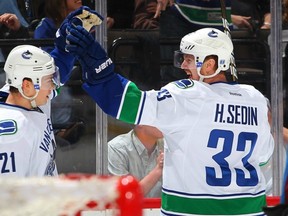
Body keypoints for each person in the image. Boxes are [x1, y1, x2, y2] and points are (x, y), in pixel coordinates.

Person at [64, 9, 274, 215]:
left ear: (209, 65)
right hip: (250, 211)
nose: (183, 65)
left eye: (189, 59)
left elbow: (122, 102)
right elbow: (263, 158)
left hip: (192, 212)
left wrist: (98, 64)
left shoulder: (187, 96)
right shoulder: (256, 99)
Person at [0, 45, 59, 176]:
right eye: (49, 81)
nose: (52, 87)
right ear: (27, 85)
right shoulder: (11, 134)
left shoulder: (30, 99)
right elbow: (9, 192)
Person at [108, 125, 164, 197]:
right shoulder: (117, 148)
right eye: (156, 116)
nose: (164, 122)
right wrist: (158, 169)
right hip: (129, 208)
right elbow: (125, 196)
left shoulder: (169, 146)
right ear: (140, 122)